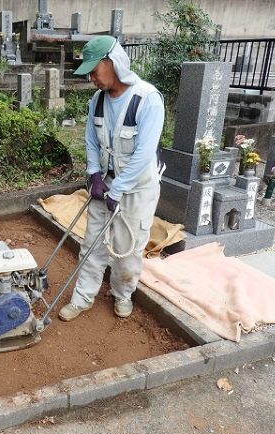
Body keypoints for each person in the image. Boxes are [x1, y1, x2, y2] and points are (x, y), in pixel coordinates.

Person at [58, 35, 165, 321]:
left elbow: (144, 154)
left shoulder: (147, 100)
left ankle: (123, 294)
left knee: (127, 249)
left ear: (112, 62)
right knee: (91, 243)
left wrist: (118, 189)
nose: (92, 77)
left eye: (95, 70)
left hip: (136, 190)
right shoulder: (98, 100)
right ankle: (82, 297)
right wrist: (94, 173)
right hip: (103, 186)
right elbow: (91, 140)